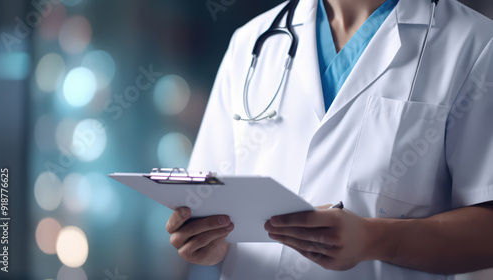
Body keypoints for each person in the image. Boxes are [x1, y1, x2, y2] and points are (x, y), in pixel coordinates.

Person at [166, 0, 493, 279]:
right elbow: (211, 203)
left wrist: (374, 240)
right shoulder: (252, 42)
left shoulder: (474, 44)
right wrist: (208, 244)